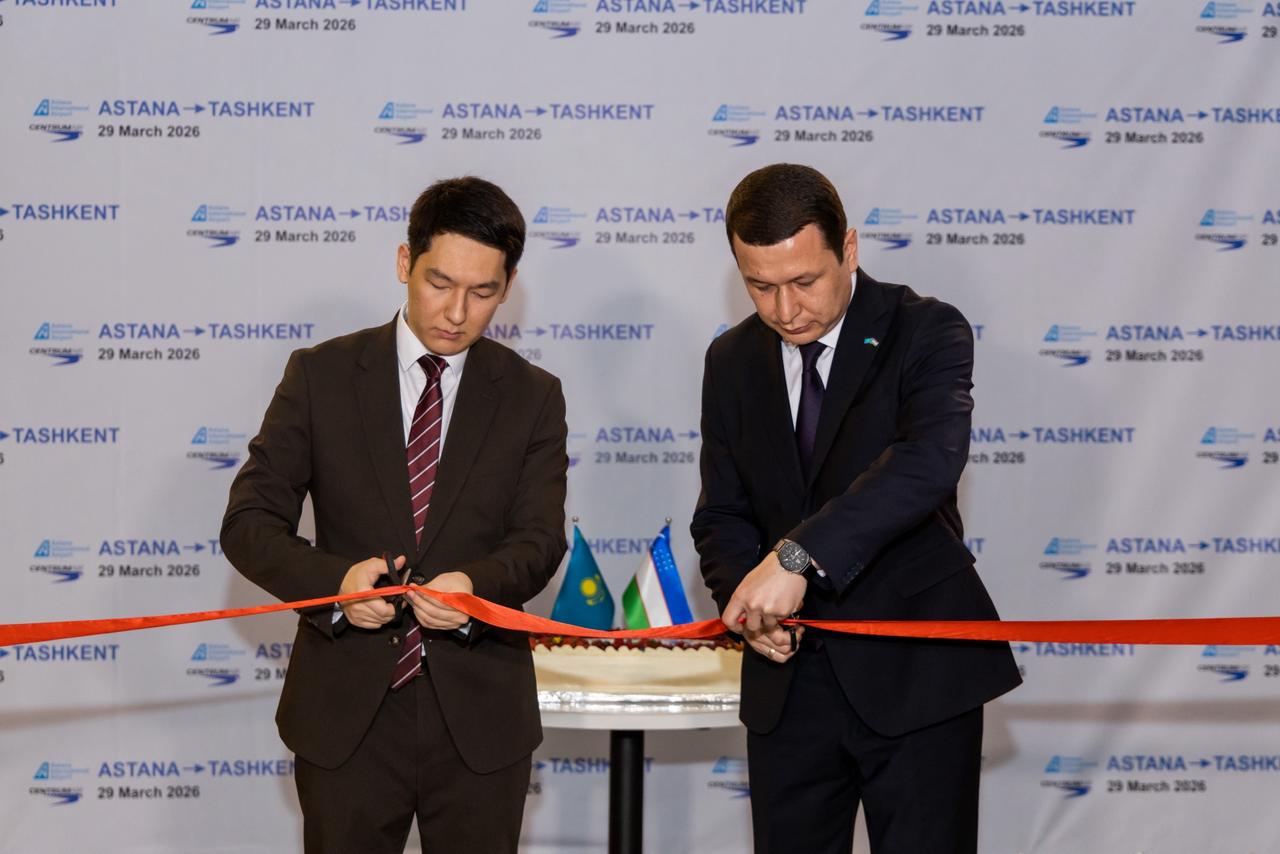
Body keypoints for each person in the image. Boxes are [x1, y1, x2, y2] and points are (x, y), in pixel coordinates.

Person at [221, 176, 568, 854]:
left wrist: (474, 589)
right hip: (346, 715)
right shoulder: (320, 376)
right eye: (440, 282)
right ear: (406, 261)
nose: (457, 312)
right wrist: (336, 585)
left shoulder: (532, 396)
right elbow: (249, 522)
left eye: (483, 291)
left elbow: (538, 541)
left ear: (509, 286)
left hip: (481, 716)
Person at [691, 163, 1021, 854]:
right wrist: (746, 601)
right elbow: (721, 512)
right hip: (788, 683)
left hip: (916, 671)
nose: (785, 310)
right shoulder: (731, 360)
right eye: (760, 287)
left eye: (804, 281)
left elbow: (925, 464)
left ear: (848, 248)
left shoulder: (924, 329)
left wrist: (796, 558)